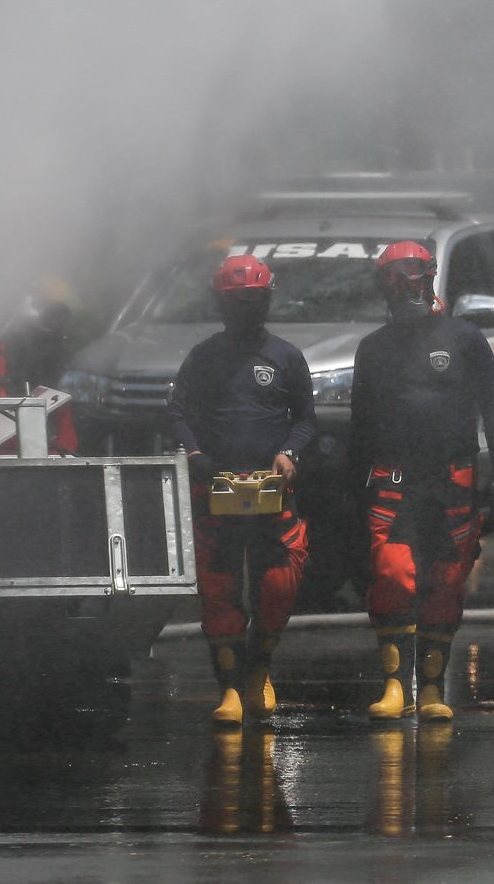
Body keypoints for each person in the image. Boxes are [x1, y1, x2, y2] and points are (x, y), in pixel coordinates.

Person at [349, 241, 494, 721]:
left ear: (432, 275)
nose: (406, 286)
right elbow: (360, 424)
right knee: (392, 576)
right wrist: (350, 491)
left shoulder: (465, 338)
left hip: (454, 479)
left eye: (414, 274)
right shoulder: (373, 349)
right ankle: (395, 689)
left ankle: (434, 691)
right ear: (383, 286)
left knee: (446, 581)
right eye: (394, 278)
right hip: (392, 479)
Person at [169, 254, 314, 726]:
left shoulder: (287, 357)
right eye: (236, 301)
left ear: (267, 299)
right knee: (219, 587)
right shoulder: (204, 356)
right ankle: (229, 688)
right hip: (216, 486)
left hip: (272, 488)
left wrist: (290, 454)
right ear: (221, 304)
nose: (246, 308)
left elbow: (306, 420)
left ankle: (260, 671)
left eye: (253, 299)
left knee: (276, 584)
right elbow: (177, 412)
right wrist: (194, 456)